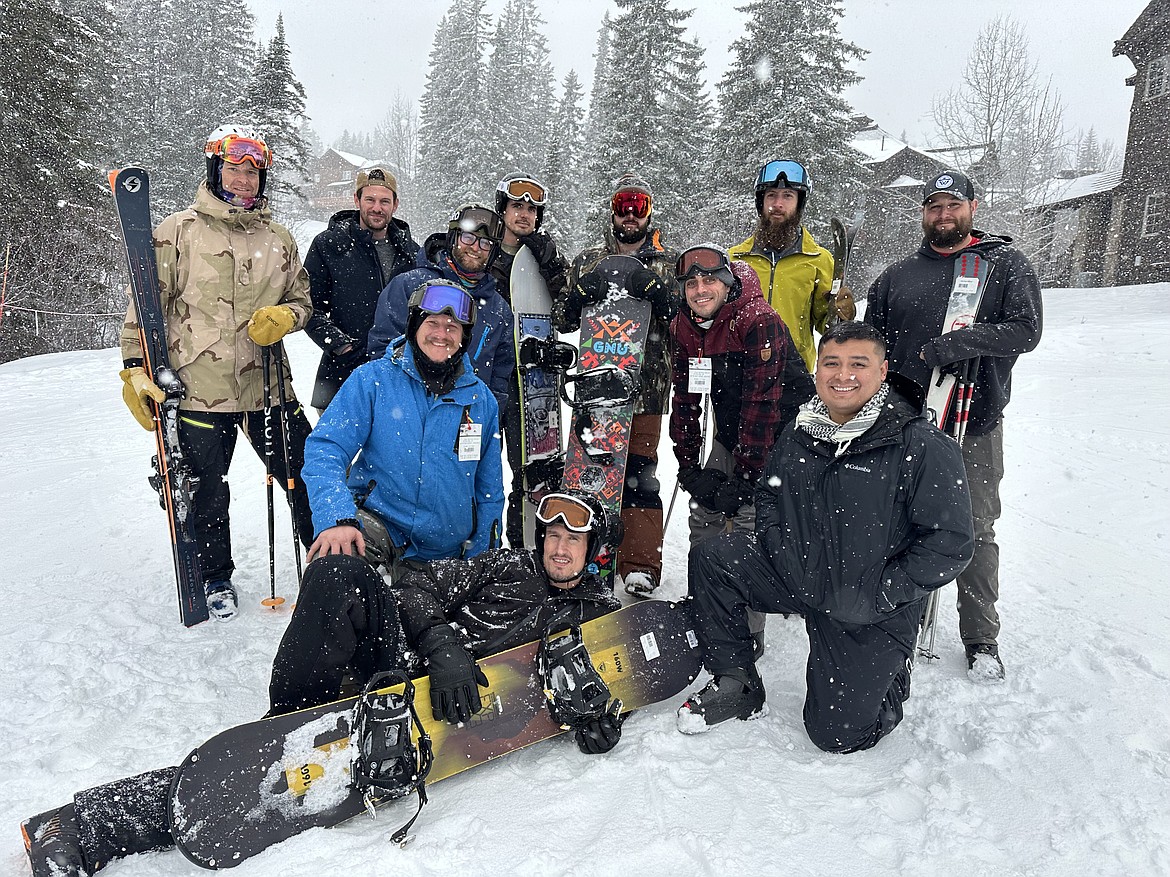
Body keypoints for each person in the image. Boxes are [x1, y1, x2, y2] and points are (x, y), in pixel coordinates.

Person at [22, 493, 623, 877]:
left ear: (592, 549)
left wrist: (596, 723)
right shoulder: (503, 566)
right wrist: (441, 645)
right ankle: (284, 726)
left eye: (573, 538)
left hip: (425, 717)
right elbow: (412, 584)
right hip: (399, 667)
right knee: (341, 572)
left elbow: (602, 682)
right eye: (551, 535)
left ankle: (81, 827)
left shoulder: (597, 620)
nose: (559, 547)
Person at [677, 321, 974, 753]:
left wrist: (884, 592)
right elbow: (768, 492)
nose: (843, 375)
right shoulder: (801, 430)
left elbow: (951, 542)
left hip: (867, 604)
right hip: (797, 574)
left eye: (859, 363)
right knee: (715, 558)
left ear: (884, 370)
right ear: (817, 371)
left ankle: (891, 673)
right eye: (831, 363)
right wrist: (779, 547)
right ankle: (735, 680)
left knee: (835, 736)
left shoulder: (922, 444)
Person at [117, 124, 314, 621]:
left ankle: (326, 561)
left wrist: (286, 317)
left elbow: (303, 300)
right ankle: (214, 577)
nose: (245, 180)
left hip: (268, 386)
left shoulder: (279, 237)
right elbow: (145, 309)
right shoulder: (177, 230)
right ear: (215, 170)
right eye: (234, 169)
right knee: (207, 489)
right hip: (200, 389)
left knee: (307, 474)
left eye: (253, 171)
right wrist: (135, 369)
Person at [864, 170, 1043, 682]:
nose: (944, 214)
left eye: (954, 205)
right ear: (923, 213)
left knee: (974, 526)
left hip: (974, 422)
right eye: (935, 206)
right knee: (902, 523)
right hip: (906, 422)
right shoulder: (897, 275)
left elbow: (1026, 330)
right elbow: (871, 343)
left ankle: (981, 635)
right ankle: (901, 615)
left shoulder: (1001, 265)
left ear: (973, 207)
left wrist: (960, 343)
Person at [304, 280, 504, 566]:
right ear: (414, 327)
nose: (441, 334)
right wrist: (337, 518)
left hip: (447, 553)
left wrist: (482, 555)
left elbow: (490, 491)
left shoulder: (481, 401)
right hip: (378, 534)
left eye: (452, 327)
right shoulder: (372, 380)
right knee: (334, 567)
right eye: (432, 323)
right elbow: (325, 450)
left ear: (464, 337)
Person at [668, 247, 806, 655]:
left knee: (749, 522)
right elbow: (686, 399)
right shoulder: (685, 326)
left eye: (709, 280)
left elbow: (762, 405)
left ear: (727, 284)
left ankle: (746, 628)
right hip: (734, 432)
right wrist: (689, 465)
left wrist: (746, 479)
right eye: (691, 283)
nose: (700, 289)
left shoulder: (757, 320)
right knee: (706, 514)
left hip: (784, 434)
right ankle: (706, 608)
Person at [555, 173, 679, 596]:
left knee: (641, 475)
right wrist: (577, 295)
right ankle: (585, 554)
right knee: (592, 470)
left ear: (648, 212)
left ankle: (640, 563)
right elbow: (562, 319)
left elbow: (684, 319)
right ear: (612, 210)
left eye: (638, 205)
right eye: (623, 205)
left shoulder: (667, 263)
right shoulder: (589, 259)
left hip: (644, 390)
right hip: (596, 391)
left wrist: (661, 294)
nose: (630, 214)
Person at [488, 174, 572, 548]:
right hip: (486, 378)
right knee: (478, 467)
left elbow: (568, 314)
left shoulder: (545, 257)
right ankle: (480, 548)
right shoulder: (481, 252)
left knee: (531, 470)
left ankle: (524, 545)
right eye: (516, 206)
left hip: (530, 383)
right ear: (502, 210)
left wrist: (551, 267)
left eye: (531, 209)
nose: (524, 214)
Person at [366, 203, 515, 413]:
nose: (475, 248)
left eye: (485, 244)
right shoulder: (409, 286)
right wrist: (398, 410)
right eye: (468, 238)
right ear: (453, 238)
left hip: (467, 421)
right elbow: (383, 351)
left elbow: (500, 376)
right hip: (408, 416)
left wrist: (488, 418)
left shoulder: (499, 309)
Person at [303, 166, 419, 412]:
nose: (377, 208)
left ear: (395, 205)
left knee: (391, 451)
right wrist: (342, 346)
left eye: (385, 201)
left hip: (397, 381)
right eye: (370, 199)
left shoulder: (410, 253)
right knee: (334, 450)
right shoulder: (329, 245)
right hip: (340, 378)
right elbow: (309, 306)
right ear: (357, 200)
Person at [728, 159, 852, 373]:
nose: (778, 204)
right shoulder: (735, 259)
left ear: (799, 203)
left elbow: (826, 325)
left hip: (793, 375)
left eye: (787, 196)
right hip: (740, 374)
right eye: (771, 195)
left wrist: (840, 314)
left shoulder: (818, 260)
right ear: (761, 202)